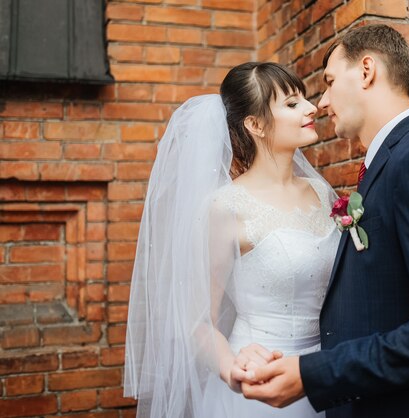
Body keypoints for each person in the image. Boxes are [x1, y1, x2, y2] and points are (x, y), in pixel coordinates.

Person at [240, 24, 409, 418]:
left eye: (330, 82)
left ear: (367, 70)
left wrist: (316, 373)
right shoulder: (390, 160)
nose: (321, 103)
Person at [123, 62, 340, 417]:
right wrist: (232, 367)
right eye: (291, 104)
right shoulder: (225, 207)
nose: (311, 108)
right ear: (254, 125)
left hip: (327, 375)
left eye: (304, 99)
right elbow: (198, 321)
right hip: (261, 382)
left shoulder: (322, 192)